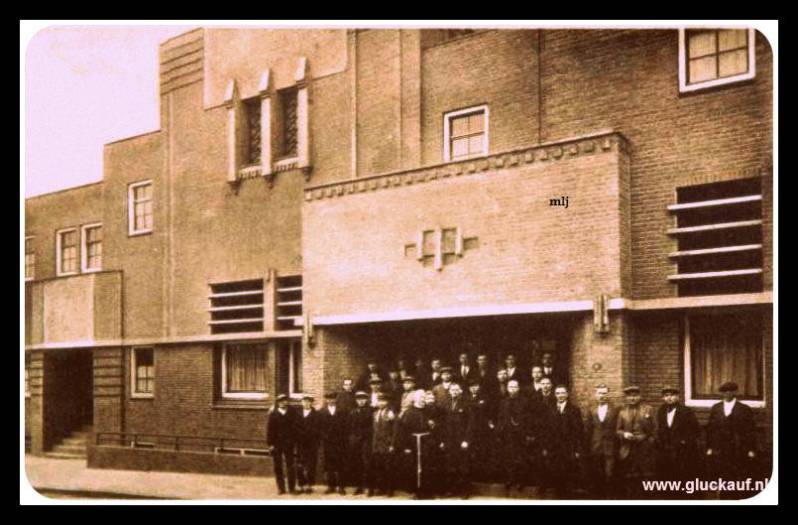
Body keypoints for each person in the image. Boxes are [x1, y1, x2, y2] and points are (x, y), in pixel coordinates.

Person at [706, 381, 758, 496]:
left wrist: (751, 449)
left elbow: (750, 430)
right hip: (720, 448)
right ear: (722, 393)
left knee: (737, 473)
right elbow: (711, 429)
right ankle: (723, 496)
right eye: (725, 391)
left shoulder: (744, 409)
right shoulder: (716, 408)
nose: (727, 393)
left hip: (738, 448)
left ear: (735, 392)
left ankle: (736, 496)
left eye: (730, 391)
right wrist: (709, 447)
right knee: (721, 472)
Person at [654, 387, 700, 498]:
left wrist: (684, 441)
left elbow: (695, 430)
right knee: (667, 475)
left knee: (682, 475)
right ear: (663, 398)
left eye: (672, 395)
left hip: (682, 450)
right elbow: (660, 428)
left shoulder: (686, 411)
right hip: (666, 450)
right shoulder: (661, 410)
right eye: (666, 396)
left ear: (677, 397)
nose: (669, 398)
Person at [541, 385, 583, 498]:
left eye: (563, 393)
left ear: (567, 394)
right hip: (554, 447)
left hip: (568, 447)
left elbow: (578, 431)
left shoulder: (574, 410)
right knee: (555, 471)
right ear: (555, 395)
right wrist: (545, 447)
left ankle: (566, 496)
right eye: (558, 393)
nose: (560, 395)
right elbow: (546, 430)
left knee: (567, 471)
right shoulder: (550, 409)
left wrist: (577, 449)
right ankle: (558, 495)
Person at [615, 386, 656, 499]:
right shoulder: (622, 412)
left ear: (639, 396)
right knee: (630, 473)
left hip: (644, 446)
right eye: (629, 396)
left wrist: (649, 442)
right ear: (626, 398)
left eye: (635, 395)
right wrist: (624, 434)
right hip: (628, 447)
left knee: (645, 473)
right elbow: (618, 430)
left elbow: (655, 428)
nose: (632, 398)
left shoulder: (648, 409)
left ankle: (647, 497)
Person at [496, 379, 533, 493]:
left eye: (515, 387)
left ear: (518, 388)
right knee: (509, 458)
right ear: (507, 388)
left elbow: (529, 420)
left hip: (521, 435)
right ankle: (510, 479)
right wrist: (499, 432)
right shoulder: (504, 402)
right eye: (510, 387)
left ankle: (521, 481)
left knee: (521, 458)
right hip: (508, 435)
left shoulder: (525, 402)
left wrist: (528, 434)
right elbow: (501, 418)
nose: (512, 389)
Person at [394, 390, 432, 498]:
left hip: (426, 443)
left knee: (427, 467)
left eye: (424, 397)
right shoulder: (408, 412)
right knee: (414, 468)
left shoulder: (429, 411)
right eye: (420, 397)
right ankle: (416, 491)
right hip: (413, 443)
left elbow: (434, 426)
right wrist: (406, 446)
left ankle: (426, 491)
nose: (422, 399)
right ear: (415, 398)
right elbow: (402, 431)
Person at [584, 384, 618, 499]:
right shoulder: (591, 409)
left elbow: (617, 428)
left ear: (608, 394)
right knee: (597, 474)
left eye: (604, 393)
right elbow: (588, 428)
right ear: (596, 395)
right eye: (599, 393)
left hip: (610, 445)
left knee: (610, 473)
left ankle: (610, 497)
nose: (602, 395)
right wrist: (588, 446)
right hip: (596, 445)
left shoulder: (615, 409)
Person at [441, 383, 473, 498]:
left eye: (456, 390)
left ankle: (464, 491)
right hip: (449, 440)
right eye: (452, 390)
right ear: (449, 391)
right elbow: (443, 424)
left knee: (463, 466)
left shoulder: (466, 403)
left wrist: (466, 440)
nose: (454, 391)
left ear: (460, 391)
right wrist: (443, 440)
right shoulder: (446, 404)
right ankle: (451, 489)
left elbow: (470, 424)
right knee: (450, 465)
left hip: (461, 440)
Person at [266, 394, 298, 495]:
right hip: (277, 444)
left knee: (290, 466)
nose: (284, 402)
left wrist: (294, 441)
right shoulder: (273, 414)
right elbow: (270, 430)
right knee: (278, 466)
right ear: (278, 402)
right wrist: (270, 444)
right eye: (281, 401)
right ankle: (281, 488)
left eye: (285, 400)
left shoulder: (292, 412)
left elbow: (295, 427)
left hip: (289, 443)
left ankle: (292, 488)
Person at [319, 392, 349, 495]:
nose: (331, 401)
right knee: (329, 465)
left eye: (333, 399)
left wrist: (343, 439)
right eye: (328, 399)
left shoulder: (342, 411)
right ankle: (331, 486)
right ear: (326, 400)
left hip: (340, 442)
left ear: (336, 399)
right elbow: (320, 428)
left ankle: (341, 487)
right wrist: (325, 437)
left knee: (340, 464)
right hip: (328, 443)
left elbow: (346, 427)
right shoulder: (322, 412)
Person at [465, 379, 494, 483]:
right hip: (470, 430)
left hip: (482, 430)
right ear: (469, 388)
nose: (474, 388)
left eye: (476, 386)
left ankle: (484, 477)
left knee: (483, 453)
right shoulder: (465, 398)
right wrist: (476, 405)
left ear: (479, 387)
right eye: (471, 386)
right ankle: (473, 476)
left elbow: (484, 409)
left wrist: (474, 405)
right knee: (471, 453)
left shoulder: (484, 398)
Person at [370, 393, 397, 497]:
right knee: (379, 467)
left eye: (383, 401)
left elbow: (395, 430)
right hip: (377, 445)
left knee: (388, 468)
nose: (381, 403)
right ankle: (381, 488)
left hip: (387, 444)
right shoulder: (375, 413)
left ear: (387, 402)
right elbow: (374, 431)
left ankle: (390, 489)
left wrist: (392, 444)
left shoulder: (391, 413)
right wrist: (374, 444)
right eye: (379, 401)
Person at [347, 391, 373, 495]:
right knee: (357, 464)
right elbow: (350, 427)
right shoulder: (353, 411)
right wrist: (353, 438)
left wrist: (363, 436)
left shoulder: (371, 411)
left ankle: (370, 487)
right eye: (358, 399)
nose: (361, 401)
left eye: (363, 399)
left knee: (367, 464)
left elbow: (372, 427)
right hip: (355, 442)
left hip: (367, 441)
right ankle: (359, 486)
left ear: (366, 400)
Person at [295, 394, 321, 494]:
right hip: (300, 443)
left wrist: (316, 442)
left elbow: (318, 430)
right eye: (304, 401)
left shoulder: (316, 415)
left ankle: (309, 485)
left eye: (308, 401)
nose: (306, 403)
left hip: (312, 444)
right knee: (300, 465)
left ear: (311, 403)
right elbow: (294, 427)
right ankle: (301, 486)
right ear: (301, 402)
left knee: (311, 465)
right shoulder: (297, 413)